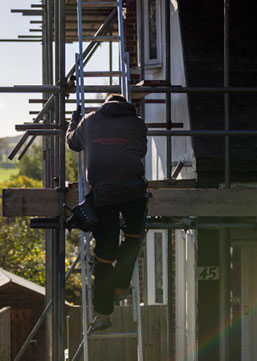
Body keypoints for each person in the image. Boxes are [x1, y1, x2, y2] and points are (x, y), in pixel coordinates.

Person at [66, 94, 148, 331]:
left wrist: (74, 121)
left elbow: (72, 143)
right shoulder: (138, 123)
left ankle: (103, 314)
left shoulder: (90, 120)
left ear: (106, 104)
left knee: (104, 253)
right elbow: (140, 151)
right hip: (134, 189)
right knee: (133, 237)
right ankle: (121, 285)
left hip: (103, 192)